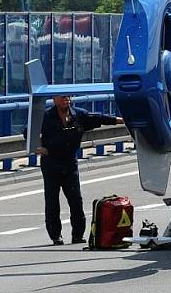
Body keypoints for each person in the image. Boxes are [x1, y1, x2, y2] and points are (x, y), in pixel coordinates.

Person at [36, 95, 124, 245]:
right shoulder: (45, 116)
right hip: (51, 162)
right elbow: (28, 132)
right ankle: (56, 235)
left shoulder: (78, 114)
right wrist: (36, 148)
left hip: (70, 162)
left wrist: (122, 120)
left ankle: (78, 234)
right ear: (55, 99)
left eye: (68, 97)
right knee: (52, 200)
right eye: (62, 97)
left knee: (75, 199)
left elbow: (99, 118)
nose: (66, 100)